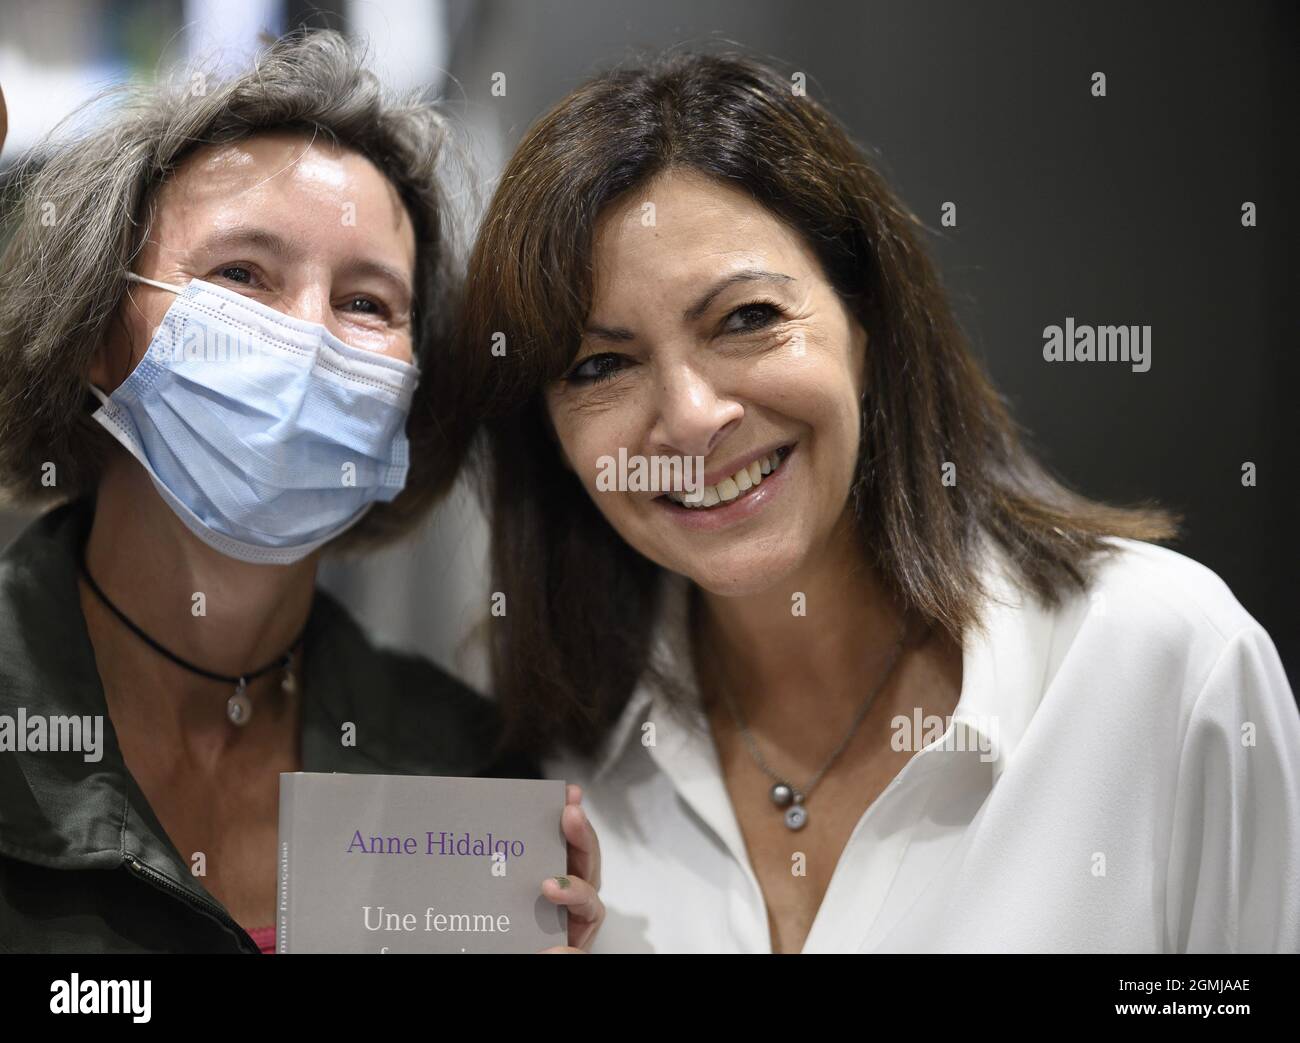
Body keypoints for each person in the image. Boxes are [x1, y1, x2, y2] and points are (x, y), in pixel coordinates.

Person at [453, 51, 1300, 953]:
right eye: (601, 366)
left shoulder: (1168, 665)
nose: (693, 419)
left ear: (866, 326)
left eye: (746, 318)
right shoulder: (537, 747)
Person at [0, 31, 601, 954]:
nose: (311, 340)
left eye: (368, 303)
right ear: (96, 328)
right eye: (241, 274)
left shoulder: (464, 769)